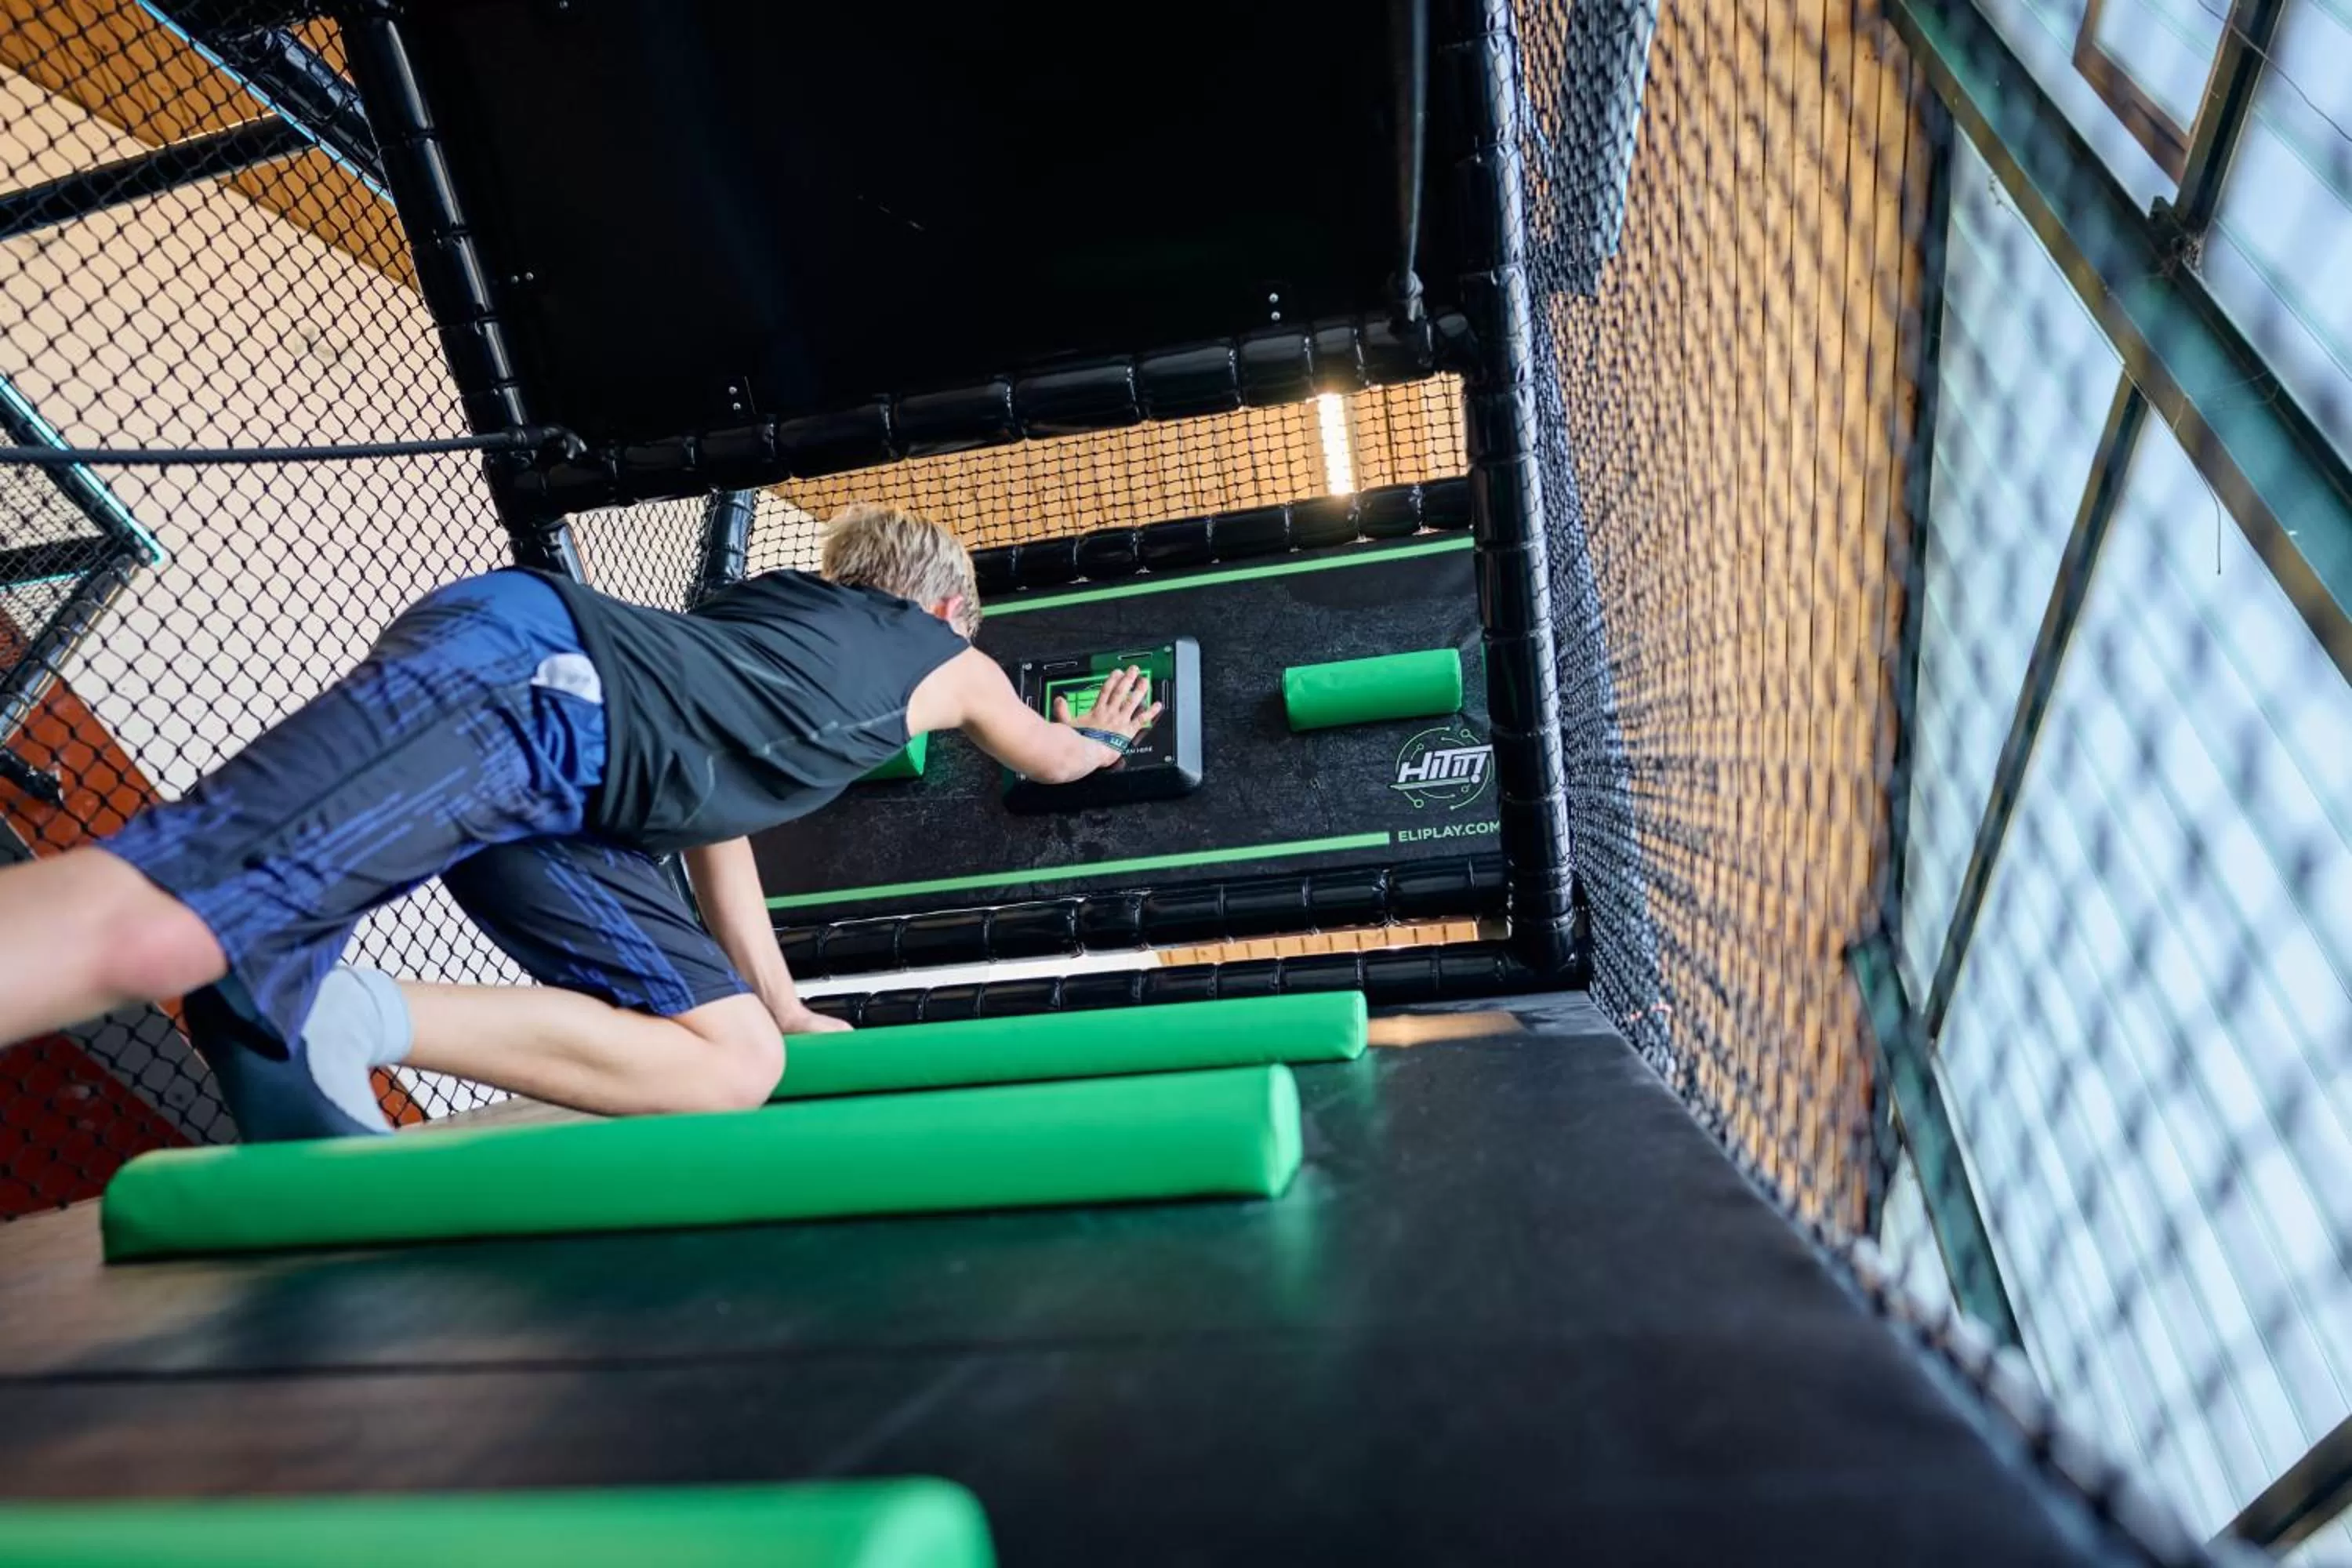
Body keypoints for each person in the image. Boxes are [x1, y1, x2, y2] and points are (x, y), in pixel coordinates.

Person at [0, 503, 1160, 1140]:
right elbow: (1048, 756)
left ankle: (335, 1010)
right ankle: (273, 980)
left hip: (567, 772)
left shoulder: (768, 623)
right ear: (951, 607)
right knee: (164, 928)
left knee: (736, 1060)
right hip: (540, 690)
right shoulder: (944, 655)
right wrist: (1102, 738)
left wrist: (784, 1003)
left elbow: (718, 830)